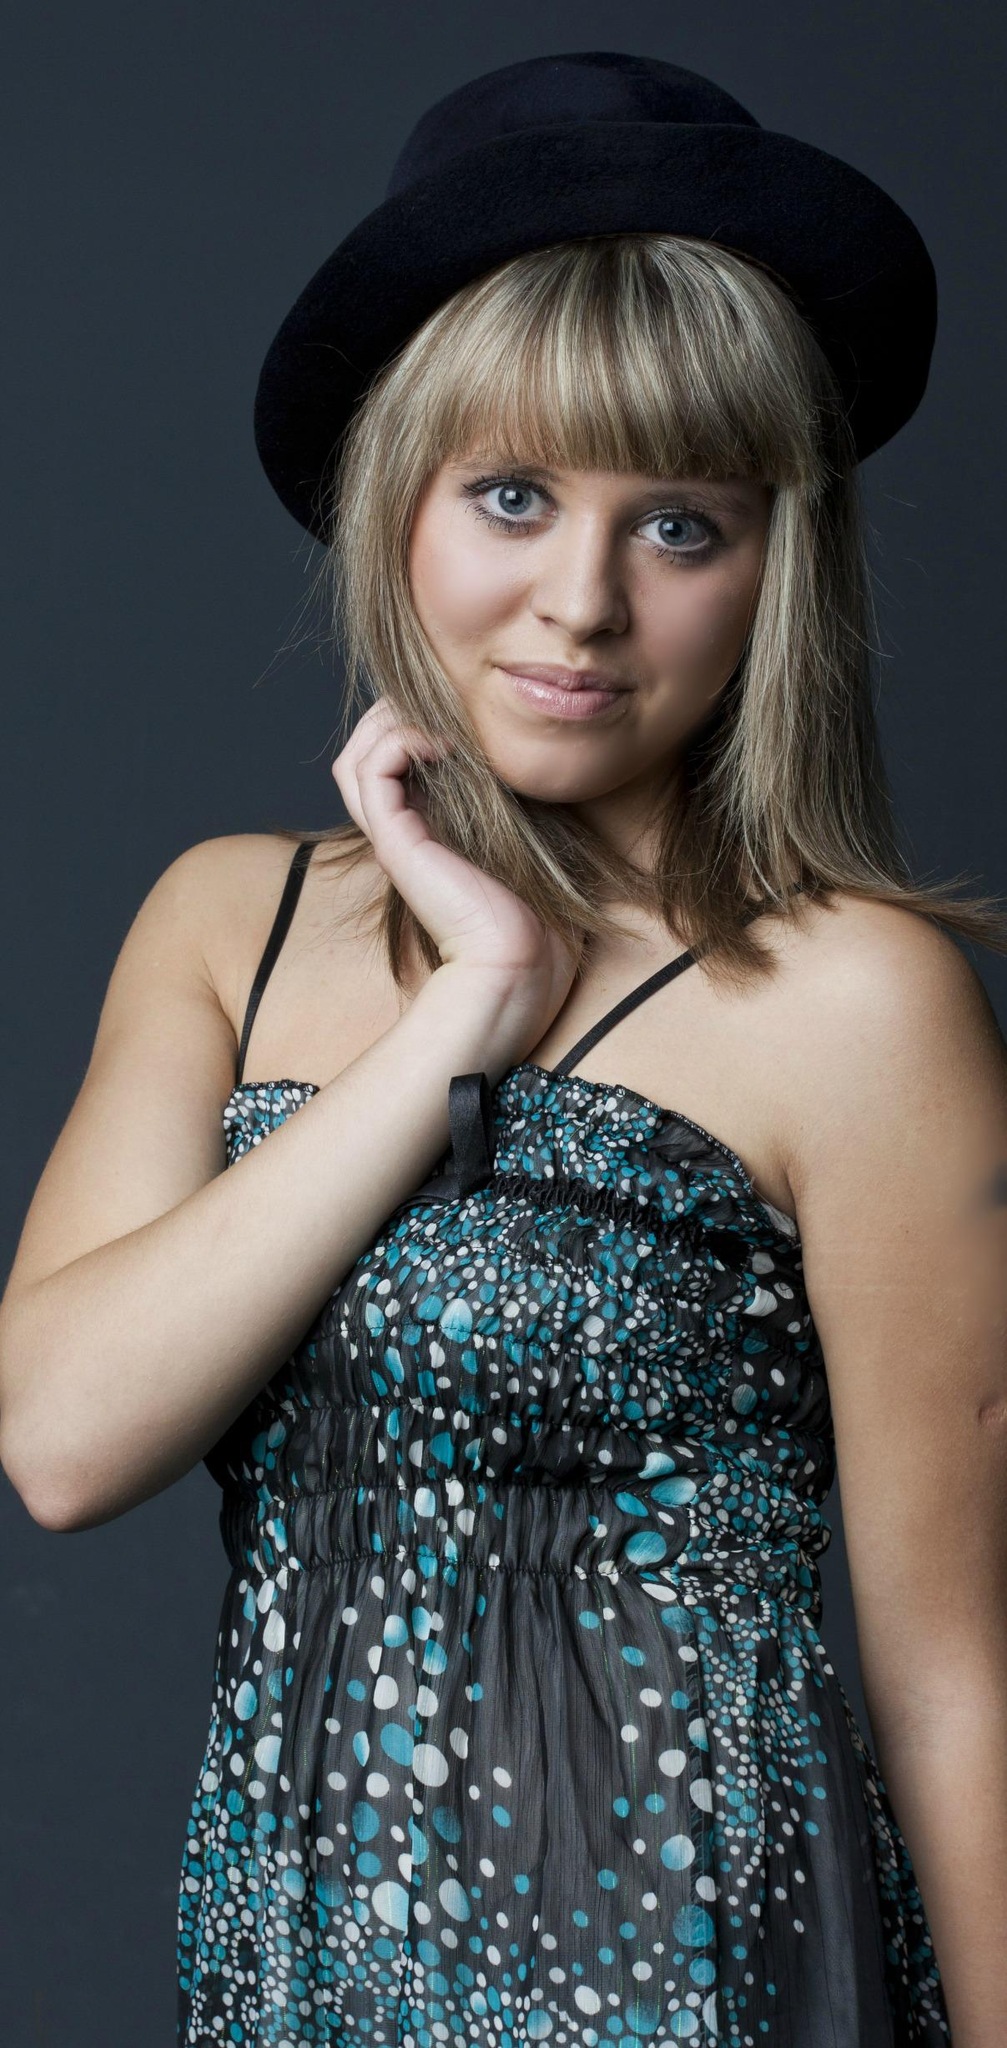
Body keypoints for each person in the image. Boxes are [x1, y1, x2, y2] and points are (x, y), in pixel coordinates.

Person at [1, 47, 1006, 2048]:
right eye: (516, 497)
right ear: (399, 500)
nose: (582, 604)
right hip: (301, 1971)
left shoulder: (858, 1002)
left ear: (771, 571)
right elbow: (63, 1439)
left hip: (701, 1979)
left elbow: (955, 1669)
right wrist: (463, 1010)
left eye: (682, 526)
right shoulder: (226, 922)